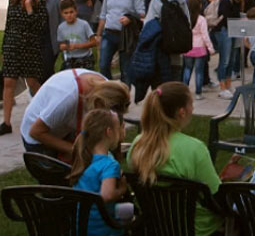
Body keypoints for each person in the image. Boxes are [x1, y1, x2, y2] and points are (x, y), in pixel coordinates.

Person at [127, 82, 223, 236]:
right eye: (191, 104)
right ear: (182, 112)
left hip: (156, 227)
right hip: (197, 229)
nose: (193, 108)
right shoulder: (195, 149)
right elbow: (217, 197)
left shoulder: (138, 145)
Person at [21, 71, 130, 158]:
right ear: (99, 103)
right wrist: (77, 150)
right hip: (37, 137)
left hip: (63, 129)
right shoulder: (67, 98)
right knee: (61, 180)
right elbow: (35, 132)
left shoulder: (107, 87)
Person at [70, 109, 132, 235]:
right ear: (109, 132)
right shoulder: (109, 164)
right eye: (117, 128)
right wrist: (122, 190)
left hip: (83, 226)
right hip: (103, 227)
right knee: (131, 210)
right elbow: (107, 195)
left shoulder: (84, 157)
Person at [1, 0, 49, 135]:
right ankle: (6, 122)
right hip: (13, 47)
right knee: (8, 83)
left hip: (29, 48)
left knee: (33, 83)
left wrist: (29, 10)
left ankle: (47, 113)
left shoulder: (38, 2)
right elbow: (9, 26)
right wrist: (4, 48)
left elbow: (40, 27)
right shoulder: (13, 0)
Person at [97, 0, 146, 85]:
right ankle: (110, 89)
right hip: (109, 32)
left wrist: (130, 18)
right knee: (103, 65)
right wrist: (98, 34)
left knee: (126, 69)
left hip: (126, 35)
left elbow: (141, 14)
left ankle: (125, 95)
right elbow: (103, 13)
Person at [145, 0, 191, 83]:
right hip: (177, 50)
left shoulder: (156, 0)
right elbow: (188, 22)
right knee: (174, 86)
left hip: (160, 52)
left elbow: (148, 27)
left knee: (161, 89)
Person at [183, 0, 215, 100]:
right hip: (200, 48)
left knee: (187, 69)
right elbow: (205, 35)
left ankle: (184, 91)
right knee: (199, 71)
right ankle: (198, 93)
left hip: (187, 47)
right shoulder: (201, 19)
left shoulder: (185, 18)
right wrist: (211, 48)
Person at [35, 0, 62, 84]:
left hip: (50, 41)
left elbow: (61, 18)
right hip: (35, 43)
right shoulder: (29, 0)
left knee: (47, 71)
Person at [58, 0, 98, 70]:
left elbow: (94, 42)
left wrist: (78, 46)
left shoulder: (84, 24)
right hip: (70, 59)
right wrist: (64, 46)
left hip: (85, 57)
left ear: (76, 11)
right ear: (62, 14)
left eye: (71, 12)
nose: (69, 15)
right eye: (66, 13)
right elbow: (62, 44)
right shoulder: (61, 27)